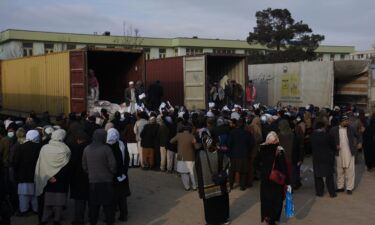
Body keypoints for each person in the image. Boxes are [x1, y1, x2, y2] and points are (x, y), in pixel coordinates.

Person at [35, 129, 71, 225]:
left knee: (47, 200)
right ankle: (56, 219)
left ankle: (44, 219)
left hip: (47, 178)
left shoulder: (45, 148)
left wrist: (49, 176)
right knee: (59, 202)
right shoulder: (65, 149)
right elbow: (66, 166)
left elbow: (42, 164)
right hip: (61, 180)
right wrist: (57, 177)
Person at [195, 128, 230, 225]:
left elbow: (196, 170)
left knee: (209, 205)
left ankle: (210, 221)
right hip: (219, 184)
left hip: (206, 185)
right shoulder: (220, 153)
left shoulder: (200, 154)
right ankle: (223, 220)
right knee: (221, 203)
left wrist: (198, 184)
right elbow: (227, 165)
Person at [82, 129, 117, 225]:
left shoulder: (87, 149)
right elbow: (113, 166)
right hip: (106, 181)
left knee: (94, 205)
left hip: (93, 181)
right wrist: (111, 173)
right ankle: (110, 222)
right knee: (108, 205)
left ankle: (93, 222)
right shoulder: (107, 149)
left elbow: (84, 166)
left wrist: (91, 173)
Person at [255, 132, 290, 225]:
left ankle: (267, 216)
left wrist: (263, 171)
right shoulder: (279, 150)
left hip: (265, 178)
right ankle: (272, 219)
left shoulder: (261, 148)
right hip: (276, 179)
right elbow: (284, 167)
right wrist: (287, 180)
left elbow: (255, 163)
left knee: (266, 198)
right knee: (276, 199)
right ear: (276, 140)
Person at [330, 115, 362, 195]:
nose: (347, 122)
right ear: (340, 122)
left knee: (350, 171)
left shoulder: (351, 128)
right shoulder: (334, 130)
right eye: (345, 121)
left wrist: (360, 142)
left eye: (347, 121)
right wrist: (335, 146)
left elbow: (359, 135)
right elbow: (329, 141)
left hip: (350, 153)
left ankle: (349, 188)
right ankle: (340, 187)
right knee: (339, 171)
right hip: (339, 153)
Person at [13, 130, 41, 216]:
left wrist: (16, 173)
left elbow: (16, 162)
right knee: (35, 194)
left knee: (23, 195)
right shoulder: (39, 147)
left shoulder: (21, 147)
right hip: (36, 175)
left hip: (23, 175)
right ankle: (36, 210)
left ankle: (24, 210)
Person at [107, 128, 130, 222]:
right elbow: (126, 160)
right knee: (121, 196)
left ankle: (110, 217)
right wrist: (124, 172)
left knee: (111, 197)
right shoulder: (122, 144)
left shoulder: (106, 146)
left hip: (111, 175)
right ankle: (123, 215)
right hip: (122, 175)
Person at [69, 131, 90, 225]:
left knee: (79, 201)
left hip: (78, 177)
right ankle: (91, 216)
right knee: (91, 199)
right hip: (90, 176)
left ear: (78, 140)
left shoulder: (76, 149)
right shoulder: (90, 148)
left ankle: (79, 219)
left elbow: (73, 164)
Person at [311, 122, 336, 198]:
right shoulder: (328, 136)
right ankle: (332, 193)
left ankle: (319, 192)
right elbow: (333, 146)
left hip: (316, 158)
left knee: (318, 176)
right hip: (327, 158)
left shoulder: (312, 136)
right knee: (329, 176)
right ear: (322, 127)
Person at [228, 119, 253, 191]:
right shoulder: (248, 133)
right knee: (243, 171)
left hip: (234, 155)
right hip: (244, 154)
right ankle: (242, 186)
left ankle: (231, 185)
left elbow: (229, 144)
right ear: (244, 125)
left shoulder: (232, 132)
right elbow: (251, 144)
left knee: (232, 171)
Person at [170, 126, 197, 191]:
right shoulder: (192, 136)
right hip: (191, 156)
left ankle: (187, 187)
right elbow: (196, 146)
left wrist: (179, 143)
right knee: (192, 172)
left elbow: (171, 141)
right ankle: (194, 186)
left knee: (184, 173)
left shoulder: (179, 135)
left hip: (181, 156)